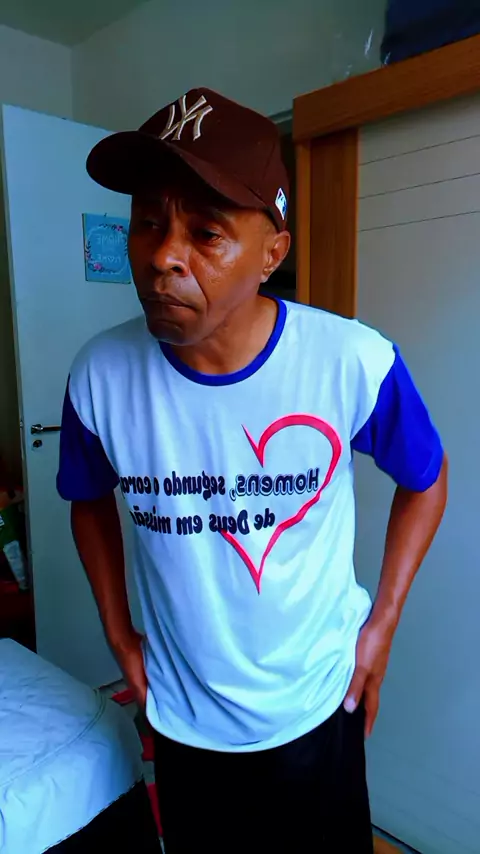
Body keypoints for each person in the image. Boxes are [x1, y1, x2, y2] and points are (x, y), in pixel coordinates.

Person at [57, 88, 447, 853]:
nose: (164, 255)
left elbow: (426, 479)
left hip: (316, 706)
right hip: (183, 717)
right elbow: (87, 499)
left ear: (273, 253)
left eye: (205, 232)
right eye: (148, 222)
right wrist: (118, 634)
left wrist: (382, 625)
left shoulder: (350, 362)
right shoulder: (99, 377)